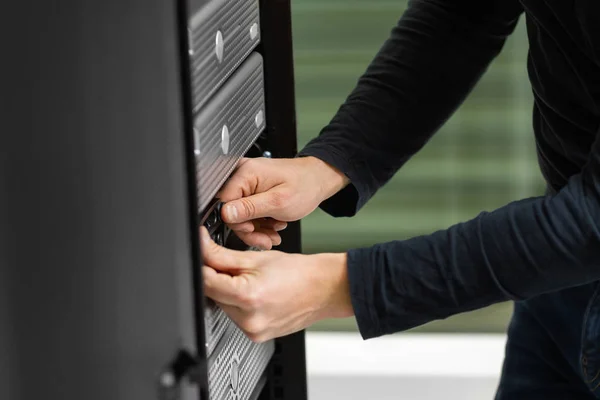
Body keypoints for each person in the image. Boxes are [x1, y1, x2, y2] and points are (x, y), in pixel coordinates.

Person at [200, 0, 600, 398]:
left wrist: (337, 287)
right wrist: (332, 162)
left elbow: (592, 222)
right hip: (556, 273)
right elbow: (464, 12)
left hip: (572, 239)